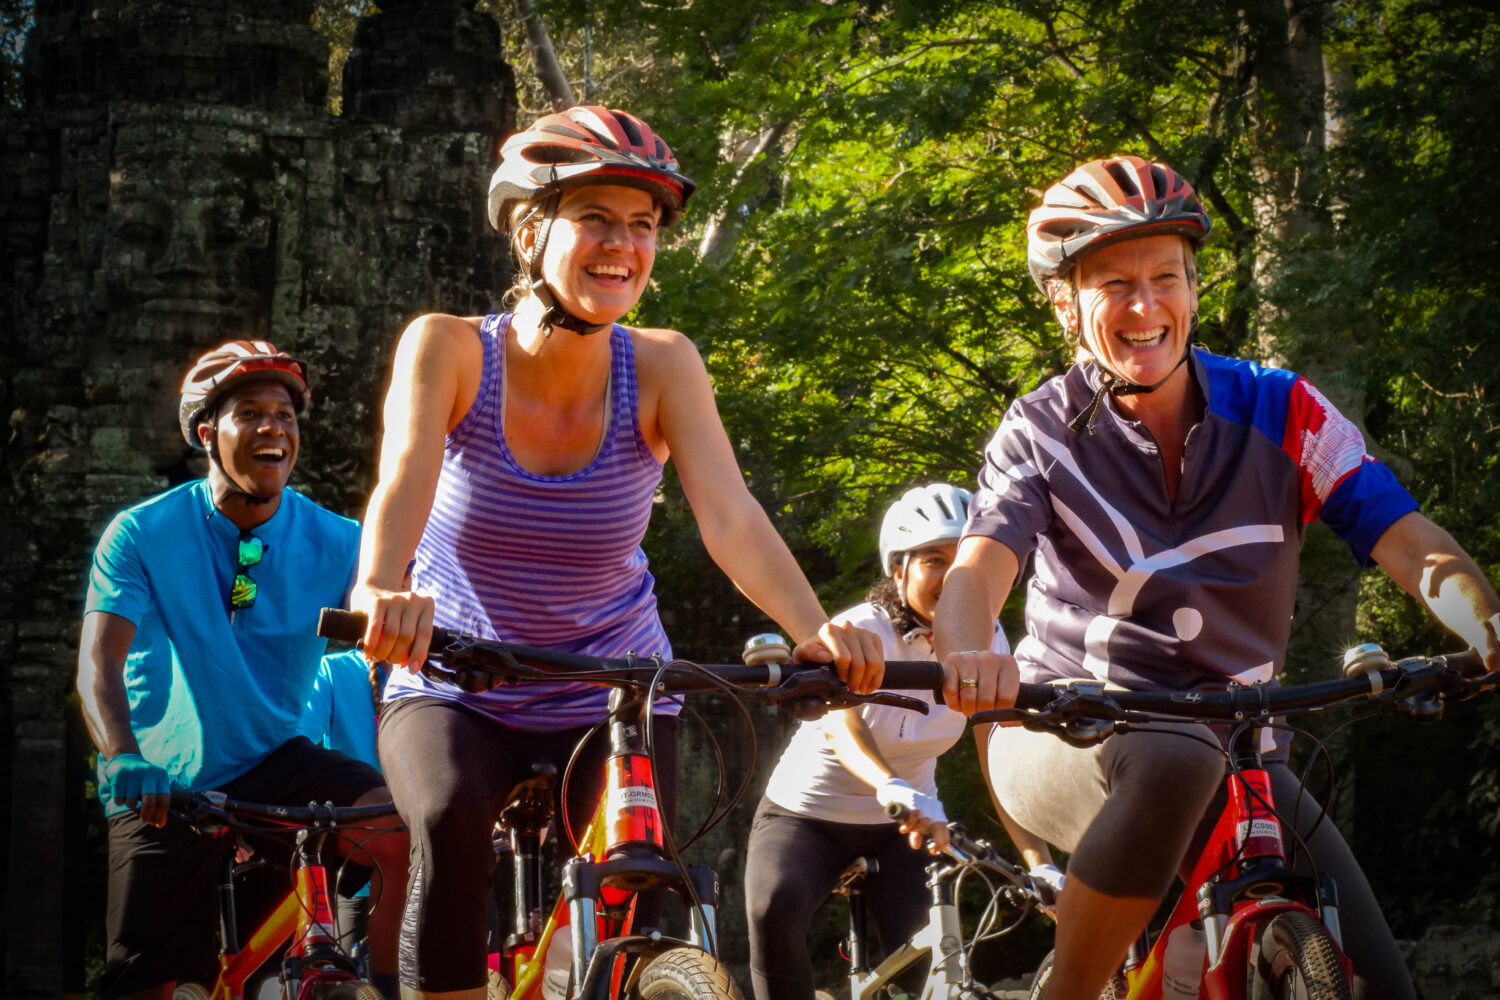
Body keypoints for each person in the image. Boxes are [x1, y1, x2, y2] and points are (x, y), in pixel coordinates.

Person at [351, 105, 947, 998]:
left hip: (618, 685)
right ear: (528, 230)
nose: (621, 245)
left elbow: (730, 517)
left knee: (639, 875)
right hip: (459, 679)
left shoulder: (665, 365)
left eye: (642, 226)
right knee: (446, 818)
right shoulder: (448, 348)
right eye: (595, 218)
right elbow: (403, 481)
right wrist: (378, 588)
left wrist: (815, 630)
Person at [933, 155, 1500, 1000]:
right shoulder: (1038, 430)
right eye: (1112, 284)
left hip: (1245, 750)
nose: (1144, 305)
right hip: (1066, 731)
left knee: (1385, 987)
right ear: (1064, 301)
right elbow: (979, 567)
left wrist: (1487, 625)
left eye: (1166, 277)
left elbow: (1406, 540)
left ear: (1195, 290)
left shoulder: (1283, 407)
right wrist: (970, 647)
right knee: (1171, 760)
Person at [76, 340, 409, 1000]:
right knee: (152, 985)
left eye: (285, 416)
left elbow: (401, 622)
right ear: (207, 433)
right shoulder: (140, 534)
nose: (273, 429)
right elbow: (98, 665)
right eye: (251, 413)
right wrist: (122, 756)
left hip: (279, 763)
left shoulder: (340, 541)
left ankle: (386, 981)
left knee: (399, 831)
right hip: (162, 783)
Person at [744, 484, 1059, 1000]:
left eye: (965, 561)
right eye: (935, 559)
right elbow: (843, 725)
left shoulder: (988, 643)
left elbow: (997, 756)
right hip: (807, 816)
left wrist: (1039, 862)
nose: (953, 577)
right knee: (773, 908)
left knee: (927, 965)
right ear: (898, 570)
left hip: (901, 831)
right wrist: (892, 785)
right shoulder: (859, 630)